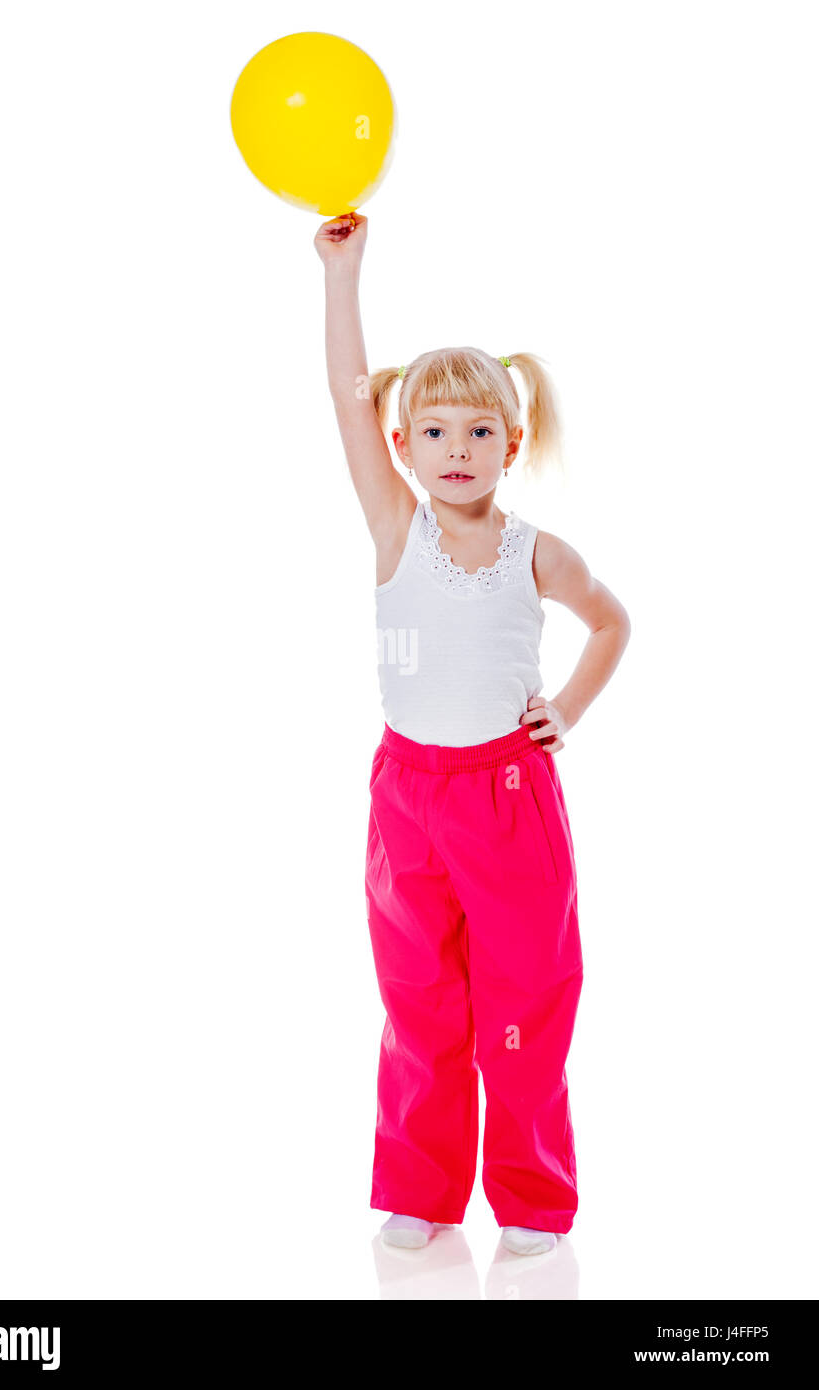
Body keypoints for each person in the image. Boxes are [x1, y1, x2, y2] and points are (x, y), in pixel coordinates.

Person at [314, 212, 631, 1255]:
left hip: (506, 799)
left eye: (480, 431)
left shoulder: (535, 551)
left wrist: (566, 709)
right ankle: (422, 1186)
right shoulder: (394, 527)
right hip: (410, 795)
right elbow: (346, 398)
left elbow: (612, 621)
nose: (458, 451)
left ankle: (534, 1198)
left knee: (525, 998)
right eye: (436, 432)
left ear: (512, 441)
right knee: (420, 999)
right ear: (404, 447)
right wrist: (343, 272)